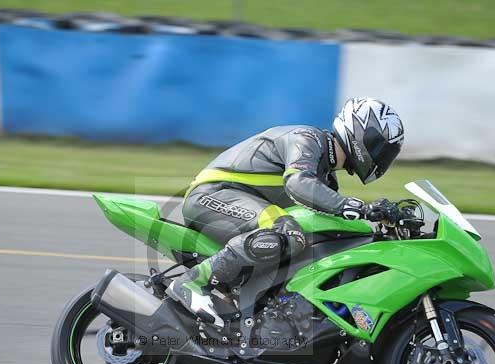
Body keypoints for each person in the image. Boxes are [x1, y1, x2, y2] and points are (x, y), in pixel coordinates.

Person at [166, 97, 405, 327]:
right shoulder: (308, 138)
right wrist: (359, 207)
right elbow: (298, 183)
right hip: (213, 195)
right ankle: (192, 283)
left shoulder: (327, 179)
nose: (382, 157)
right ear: (361, 135)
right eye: (380, 148)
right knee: (289, 232)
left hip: (243, 207)